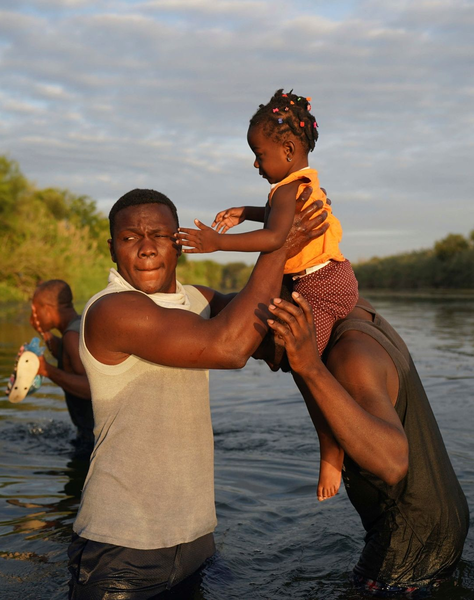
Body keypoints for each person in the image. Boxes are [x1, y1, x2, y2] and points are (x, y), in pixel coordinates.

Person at [68, 188, 327, 599]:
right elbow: (229, 347)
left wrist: (311, 257)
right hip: (121, 552)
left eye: (159, 235)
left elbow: (265, 339)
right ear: (112, 249)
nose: (147, 248)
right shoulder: (111, 310)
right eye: (130, 238)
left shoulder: (199, 299)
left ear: (180, 242)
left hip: (195, 541)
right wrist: (277, 245)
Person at [176, 89, 357, 502]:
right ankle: (331, 443)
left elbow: (277, 235)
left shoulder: (288, 190)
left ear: (289, 150)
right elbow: (277, 216)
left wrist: (217, 243)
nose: (255, 164)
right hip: (320, 279)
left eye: (259, 155)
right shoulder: (296, 185)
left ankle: (332, 449)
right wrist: (246, 210)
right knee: (293, 355)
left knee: (306, 365)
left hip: (321, 286)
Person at [257, 288, 470, 596]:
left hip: (409, 542)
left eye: (261, 350)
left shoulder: (350, 356)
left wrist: (310, 366)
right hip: (440, 521)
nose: (269, 364)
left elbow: (393, 463)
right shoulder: (355, 311)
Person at [29, 279, 94, 453]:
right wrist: (43, 332)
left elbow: (92, 388)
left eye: (35, 310)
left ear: (47, 309)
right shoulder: (78, 325)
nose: (32, 315)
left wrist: (46, 370)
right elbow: (69, 360)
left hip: (94, 440)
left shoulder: (72, 336)